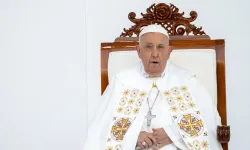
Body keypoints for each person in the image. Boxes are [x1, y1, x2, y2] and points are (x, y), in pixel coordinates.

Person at [83, 24, 223, 150]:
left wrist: (172, 134)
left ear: (169, 51)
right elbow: (101, 125)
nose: (155, 54)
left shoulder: (186, 80)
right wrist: (133, 136)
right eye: (148, 47)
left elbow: (209, 122)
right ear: (138, 51)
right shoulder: (123, 81)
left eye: (160, 47)